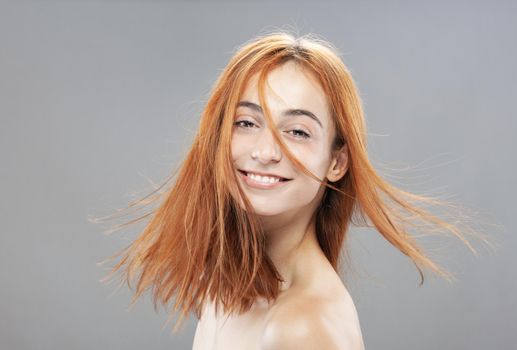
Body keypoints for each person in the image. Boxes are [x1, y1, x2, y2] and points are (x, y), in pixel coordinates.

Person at [94, 31, 493, 350]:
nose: (265, 152)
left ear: (337, 162)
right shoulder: (229, 285)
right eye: (246, 123)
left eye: (297, 131)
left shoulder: (302, 326)